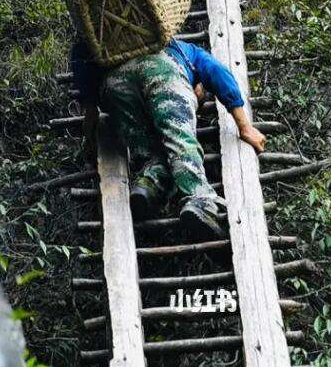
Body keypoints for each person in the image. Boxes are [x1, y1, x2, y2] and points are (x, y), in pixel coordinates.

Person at [73, 36, 267, 239]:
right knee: (180, 141)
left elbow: (80, 52)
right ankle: (201, 200)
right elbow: (217, 72)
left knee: (145, 150)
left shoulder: (114, 47)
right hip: (162, 72)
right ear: (197, 86)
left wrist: (89, 107)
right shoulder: (186, 51)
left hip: (115, 84)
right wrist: (245, 127)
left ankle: (152, 181)